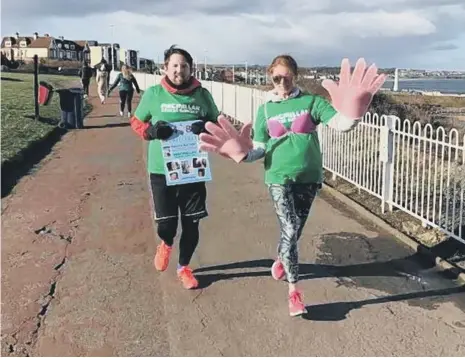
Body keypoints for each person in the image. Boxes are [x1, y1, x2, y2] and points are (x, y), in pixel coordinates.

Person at [198, 55, 386, 316]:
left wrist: (354, 113)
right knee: (289, 227)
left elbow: (341, 125)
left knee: (294, 231)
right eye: (276, 78)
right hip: (278, 177)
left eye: (286, 77)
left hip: (308, 178)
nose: (282, 82)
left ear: (294, 76)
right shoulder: (265, 110)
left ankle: (281, 258)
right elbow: (260, 149)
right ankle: (294, 293)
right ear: (270, 78)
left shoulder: (311, 102)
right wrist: (240, 153)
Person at [129, 45, 220, 289]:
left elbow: (216, 122)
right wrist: (152, 131)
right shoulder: (154, 94)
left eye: (184, 66)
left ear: (191, 69)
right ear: (166, 68)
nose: (179, 70)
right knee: (167, 224)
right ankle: (166, 243)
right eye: (175, 65)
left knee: (192, 223)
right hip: (162, 170)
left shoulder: (202, 95)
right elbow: (136, 123)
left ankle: (184, 268)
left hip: (193, 168)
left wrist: (206, 128)